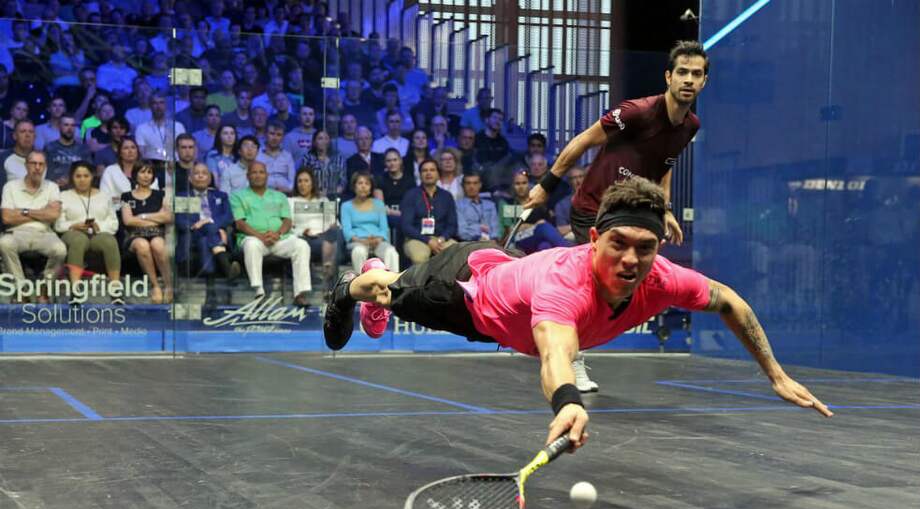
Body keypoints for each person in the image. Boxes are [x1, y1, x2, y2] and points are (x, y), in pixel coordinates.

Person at [323, 176, 832, 452]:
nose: (631, 260)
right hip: (463, 290)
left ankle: (372, 287)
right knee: (389, 293)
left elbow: (731, 302)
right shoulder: (564, 288)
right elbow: (555, 350)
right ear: (594, 239)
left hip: (507, 284)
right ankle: (355, 284)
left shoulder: (664, 279)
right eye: (619, 244)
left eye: (645, 247)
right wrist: (566, 400)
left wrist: (776, 375)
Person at [524, 40, 710, 393]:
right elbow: (582, 141)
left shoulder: (690, 126)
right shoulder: (637, 112)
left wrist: (665, 208)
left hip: (632, 213)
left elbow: (665, 162)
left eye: (696, 74)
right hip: (593, 209)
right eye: (682, 72)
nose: (688, 79)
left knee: (621, 289)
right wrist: (546, 186)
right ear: (669, 76)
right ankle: (571, 363)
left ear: (703, 82)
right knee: (590, 288)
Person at [230, 161, 311, 304]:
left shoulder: (279, 196)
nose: (258, 175)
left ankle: (300, 294)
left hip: (278, 239)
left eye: (261, 172)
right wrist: (260, 236)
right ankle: (258, 292)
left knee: (301, 245)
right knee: (252, 245)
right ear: (247, 176)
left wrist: (277, 234)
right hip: (253, 238)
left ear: (267, 175)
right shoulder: (237, 196)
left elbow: (287, 221)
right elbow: (240, 223)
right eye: (254, 172)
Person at [0, 151, 66, 303]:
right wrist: (41, 211)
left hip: (44, 233)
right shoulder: (11, 187)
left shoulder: (52, 187)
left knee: (60, 249)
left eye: (41, 164)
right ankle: (21, 290)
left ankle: (44, 290)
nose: (37, 168)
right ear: (26, 165)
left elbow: (53, 215)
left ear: (45, 167)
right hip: (17, 232)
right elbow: (6, 218)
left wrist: (23, 211)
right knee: (4, 243)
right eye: (33, 164)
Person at [55, 161, 122, 303]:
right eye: (78, 176)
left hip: (97, 234)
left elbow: (114, 223)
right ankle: (76, 290)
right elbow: (58, 224)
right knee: (79, 240)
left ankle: (115, 289)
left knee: (109, 241)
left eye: (86, 176)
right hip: (72, 233)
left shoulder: (104, 196)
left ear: (92, 177)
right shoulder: (64, 196)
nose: (82, 179)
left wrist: (99, 226)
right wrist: (74, 225)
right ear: (72, 178)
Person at [175, 162, 240, 304]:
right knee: (209, 231)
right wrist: (212, 227)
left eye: (204, 173)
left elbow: (228, 216)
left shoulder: (220, 196)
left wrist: (207, 222)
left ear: (210, 178)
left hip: (208, 238)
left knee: (206, 241)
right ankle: (226, 268)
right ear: (190, 178)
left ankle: (211, 295)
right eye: (196, 173)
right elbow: (180, 221)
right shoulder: (183, 196)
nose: (200, 176)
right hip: (192, 236)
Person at [121, 160, 174, 304]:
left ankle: (169, 285)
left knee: (157, 244)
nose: (146, 176)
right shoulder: (126, 196)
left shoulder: (160, 195)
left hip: (157, 234)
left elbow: (168, 217)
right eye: (142, 172)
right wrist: (156, 218)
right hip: (134, 236)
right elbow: (128, 221)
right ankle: (155, 285)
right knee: (142, 245)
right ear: (135, 174)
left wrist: (143, 216)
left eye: (149, 172)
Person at [291, 167, 343, 293]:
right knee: (332, 244)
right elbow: (289, 227)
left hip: (325, 235)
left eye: (306, 181)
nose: (303, 184)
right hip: (307, 239)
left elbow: (336, 224)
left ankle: (327, 273)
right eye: (300, 181)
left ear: (312, 183)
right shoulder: (291, 202)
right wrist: (302, 231)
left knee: (335, 234)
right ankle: (329, 278)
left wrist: (332, 227)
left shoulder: (323, 201)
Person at [400, 159, 458, 265]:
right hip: (417, 238)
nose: (428, 173)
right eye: (424, 170)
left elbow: (452, 225)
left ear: (438, 174)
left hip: (441, 238)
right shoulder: (411, 195)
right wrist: (428, 240)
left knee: (456, 252)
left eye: (432, 170)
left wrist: (442, 239)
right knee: (419, 256)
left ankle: (446, 282)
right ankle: (422, 282)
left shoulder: (446, 196)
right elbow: (406, 226)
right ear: (420, 175)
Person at [341, 171, 399, 274]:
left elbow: (384, 228)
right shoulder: (346, 206)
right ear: (354, 186)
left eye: (367, 184)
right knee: (359, 251)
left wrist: (378, 239)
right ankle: (361, 285)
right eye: (360, 183)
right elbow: (347, 231)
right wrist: (361, 240)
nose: (363, 186)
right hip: (357, 241)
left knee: (391, 252)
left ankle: (393, 285)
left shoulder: (379, 204)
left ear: (371, 188)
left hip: (378, 240)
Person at [502, 169, 570, 255]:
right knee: (543, 228)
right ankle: (571, 254)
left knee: (544, 246)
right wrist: (535, 226)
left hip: (537, 238)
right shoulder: (510, 204)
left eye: (524, 183)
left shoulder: (536, 203)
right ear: (512, 186)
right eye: (517, 184)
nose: (521, 187)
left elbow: (550, 225)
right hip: (519, 240)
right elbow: (511, 231)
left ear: (529, 184)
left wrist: (527, 226)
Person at [45, 114, 92, 187]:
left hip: (77, 190)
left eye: (72, 125)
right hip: (54, 190)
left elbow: (89, 173)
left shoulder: (83, 149)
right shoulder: (49, 148)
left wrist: (70, 181)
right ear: (59, 127)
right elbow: (44, 172)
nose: (70, 128)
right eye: (66, 125)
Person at [455, 171, 500, 242]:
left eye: (475, 183)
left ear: (480, 185)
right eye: (468, 183)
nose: (471, 186)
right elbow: (462, 232)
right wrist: (479, 234)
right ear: (463, 185)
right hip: (469, 243)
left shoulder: (490, 205)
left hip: (491, 242)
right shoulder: (457, 205)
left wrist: (493, 239)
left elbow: (495, 229)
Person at [301, 130, 346, 198]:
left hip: (334, 196)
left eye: (326, 138)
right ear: (314, 142)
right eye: (320, 138)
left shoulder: (338, 159)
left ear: (329, 141)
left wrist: (334, 194)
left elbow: (342, 180)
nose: (323, 141)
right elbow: (304, 179)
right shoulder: (307, 158)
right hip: (313, 196)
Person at [256, 121, 296, 194]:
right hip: (262, 194)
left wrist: (288, 190)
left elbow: (292, 181)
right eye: (272, 134)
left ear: (283, 137)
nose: (275, 138)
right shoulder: (257, 154)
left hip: (285, 194)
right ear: (265, 134)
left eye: (279, 135)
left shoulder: (287, 156)